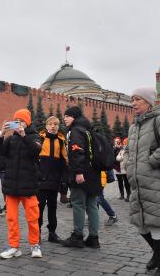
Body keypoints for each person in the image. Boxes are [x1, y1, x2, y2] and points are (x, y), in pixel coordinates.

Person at [124, 88, 160, 276]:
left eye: (137, 99)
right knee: (141, 225)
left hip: (157, 183)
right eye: (132, 100)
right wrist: (129, 162)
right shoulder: (134, 126)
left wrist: (151, 161)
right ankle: (158, 255)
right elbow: (130, 151)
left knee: (157, 224)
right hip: (139, 185)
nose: (133, 103)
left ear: (149, 102)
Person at [0, 109, 42, 259]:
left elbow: (36, 150)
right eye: (16, 121)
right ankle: (14, 247)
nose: (19, 124)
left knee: (32, 218)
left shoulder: (35, 137)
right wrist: (1, 134)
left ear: (27, 122)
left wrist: (24, 135)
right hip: (11, 186)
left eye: (21, 121)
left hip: (29, 185)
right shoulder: (10, 139)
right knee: (12, 219)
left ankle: (35, 245)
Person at [61, 106, 101, 249]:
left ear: (74, 117)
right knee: (92, 205)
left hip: (81, 174)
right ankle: (93, 238)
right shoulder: (87, 129)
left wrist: (78, 172)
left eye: (67, 116)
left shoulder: (75, 131)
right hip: (93, 174)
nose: (64, 118)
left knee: (78, 204)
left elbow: (77, 152)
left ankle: (77, 236)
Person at [37, 116, 68, 243]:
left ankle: (52, 232)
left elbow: (64, 160)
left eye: (55, 124)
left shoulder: (61, 141)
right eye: (50, 124)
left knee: (52, 206)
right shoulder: (40, 139)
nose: (53, 126)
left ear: (58, 127)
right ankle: (36, 232)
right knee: (39, 207)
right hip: (41, 180)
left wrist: (64, 180)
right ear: (46, 126)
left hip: (54, 179)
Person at [114, 137, 131, 201]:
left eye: (118, 141)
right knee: (121, 182)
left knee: (127, 182)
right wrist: (115, 149)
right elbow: (114, 156)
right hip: (118, 167)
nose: (117, 143)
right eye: (115, 141)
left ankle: (129, 195)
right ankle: (123, 195)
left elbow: (119, 158)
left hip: (124, 168)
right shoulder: (116, 149)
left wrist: (119, 154)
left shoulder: (123, 149)